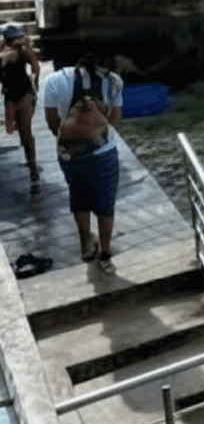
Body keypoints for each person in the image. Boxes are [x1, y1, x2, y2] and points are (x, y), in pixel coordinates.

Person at [43, 54, 124, 274]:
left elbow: (52, 122)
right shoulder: (113, 81)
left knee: (79, 198)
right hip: (103, 152)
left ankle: (86, 246)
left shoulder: (53, 81)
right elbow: (115, 116)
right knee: (105, 205)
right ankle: (105, 254)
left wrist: (73, 138)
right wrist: (94, 128)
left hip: (69, 155)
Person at [0, 25, 40, 187]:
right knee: (17, 130)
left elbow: (35, 67)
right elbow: (35, 67)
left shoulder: (22, 51)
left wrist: (35, 82)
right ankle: (32, 164)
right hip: (15, 95)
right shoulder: (16, 51)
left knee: (24, 131)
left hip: (20, 94)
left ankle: (32, 165)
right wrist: (35, 81)